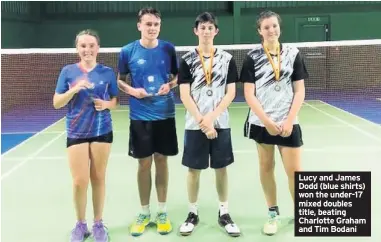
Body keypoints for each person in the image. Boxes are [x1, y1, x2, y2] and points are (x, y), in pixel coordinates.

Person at [240, 10, 309, 235]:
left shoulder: (293, 54)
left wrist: (289, 120)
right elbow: (249, 94)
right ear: (260, 31)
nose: (271, 30)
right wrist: (267, 121)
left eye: (274, 26)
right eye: (266, 27)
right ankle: (272, 214)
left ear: (279, 27)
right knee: (266, 167)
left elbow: (299, 90)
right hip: (262, 122)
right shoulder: (252, 57)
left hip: (288, 121)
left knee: (295, 171)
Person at [177, 12, 241, 237]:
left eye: (210, 27)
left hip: (220, 123)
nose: (206, 31)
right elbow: (184, 95)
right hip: (195, 125)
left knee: (221, 169)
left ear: (216, 31)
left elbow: (231, 92)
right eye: (202, 27)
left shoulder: (227, 59)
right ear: (196, 31)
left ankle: (224, 212)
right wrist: (203, 122)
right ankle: (192, 213)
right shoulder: (186, 60)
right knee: (193, 170)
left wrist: (212, 118)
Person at [117, 7, 179, 236]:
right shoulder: (127, 51)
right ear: (139, 25)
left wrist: (169, 86)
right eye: (148, 24)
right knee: (143, 164)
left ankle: (162, 211)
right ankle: (144, 212)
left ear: (159, 26)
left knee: (162, 161)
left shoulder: (168, 48)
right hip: (140, 116)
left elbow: (177, 76)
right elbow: (120, 81)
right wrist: (133, 91)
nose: (152, 28)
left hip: (165, 114)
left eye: (156, 24)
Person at [53, 29, 118, 242]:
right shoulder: (68, 71)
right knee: (80, 181)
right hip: (76, 130)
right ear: (77, 48)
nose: (87, 49)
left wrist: (106, 104)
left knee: (98, 178)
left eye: (91, 45)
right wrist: (74, 89)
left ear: (98, 48)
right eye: (83, 46)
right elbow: (57, 103)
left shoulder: (107, 72)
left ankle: (98, 224)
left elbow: (115, 101)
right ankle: (80, 225)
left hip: (101, 130)